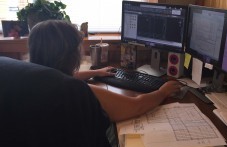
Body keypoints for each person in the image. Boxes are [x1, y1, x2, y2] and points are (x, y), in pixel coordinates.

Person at [28, 19, 181, 122]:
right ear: (70, 55)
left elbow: (64, 76)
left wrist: (95, 72)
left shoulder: (31, 78)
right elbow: (135, 105)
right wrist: (163, 92)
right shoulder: (77, 90)